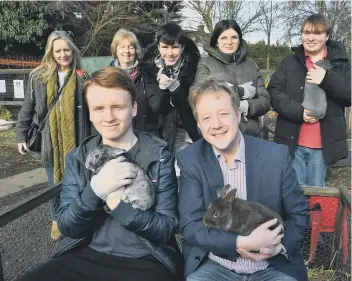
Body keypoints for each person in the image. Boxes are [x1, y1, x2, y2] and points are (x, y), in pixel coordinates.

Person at [16, 67, 181, 281]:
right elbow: (67, 226)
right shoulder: (79, 157)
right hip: (86, 253)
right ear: (91, 114)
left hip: (146, 259)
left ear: (133, 108)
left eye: (118, 107)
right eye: (99, 108)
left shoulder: (158, 154)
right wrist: (95, 191)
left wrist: (120, 207)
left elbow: (167, 228)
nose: (109, 117)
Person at [177, 78, 309, 281]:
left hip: (271, 265)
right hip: (216, 265)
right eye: (206, 118)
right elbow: (191, 225)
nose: (217, 125)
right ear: (199, 125)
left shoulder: (275, 156)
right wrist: (239, 243)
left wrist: (277, 247)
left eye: (223, 114)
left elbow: (299, 214)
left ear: (238, 115)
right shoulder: (191, 159)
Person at [16, 31, 91, 240]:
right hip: (49, 141)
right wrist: (21, 135)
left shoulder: (82, 76)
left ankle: (76, 219)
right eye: (57, 50)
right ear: (51, 52)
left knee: (78, 182)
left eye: (66, 49)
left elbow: (92, 110)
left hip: (77, 139)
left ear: (72, 50)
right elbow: (27, 109)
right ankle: (57, 219)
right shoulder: (38, 77)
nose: (63, 54)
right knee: (54, 185)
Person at [267, 14, 351, 187]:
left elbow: (348, 95)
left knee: (316, 192)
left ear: (327, 36)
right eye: (306, 32)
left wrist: (326, 78)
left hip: (322, 146)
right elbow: (274, 92)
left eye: (317, 33)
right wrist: (298, 112)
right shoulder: (289, 62)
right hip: (292, 143)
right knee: (293, 193)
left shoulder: (340, 64)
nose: (311, 38)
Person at [194, 20, 270, 137]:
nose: (229, 42)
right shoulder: (205, 64)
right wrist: (242, 91)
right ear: (216, 41)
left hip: (252, 134)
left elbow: (265, 101)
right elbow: (205, 97)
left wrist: (247, 106)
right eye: (223, 38)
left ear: (239, 40)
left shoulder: (251, 65)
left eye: (234, 37)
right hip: (220, 134)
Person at [136, 22, 201, 155]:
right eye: (165, 47)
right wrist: (162, 87)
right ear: (158, 48)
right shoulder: (149, 69)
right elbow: (157, 107)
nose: (170, 53)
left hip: (188, 132)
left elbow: (191, 105)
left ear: (182, 48)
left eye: (175, 47)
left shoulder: (194, 68)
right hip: (160, 132)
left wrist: (175, 87)